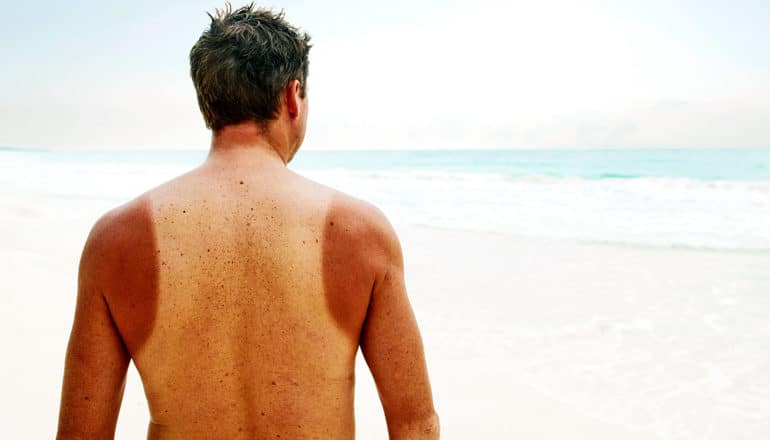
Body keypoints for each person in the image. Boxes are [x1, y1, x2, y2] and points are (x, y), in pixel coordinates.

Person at [56, 4, 439, 439]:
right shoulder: (359, 232)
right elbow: (414, 422)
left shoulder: (117, 239)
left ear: (207, 103)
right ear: (293, 97)